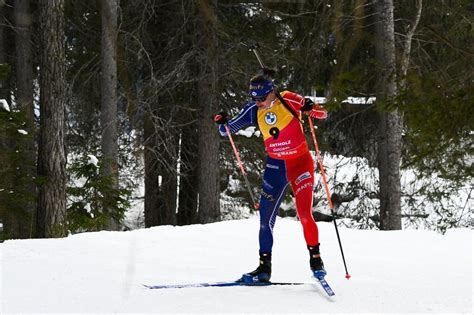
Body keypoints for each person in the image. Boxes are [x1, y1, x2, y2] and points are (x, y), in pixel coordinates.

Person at [214, 73, 328, 283]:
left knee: (304, 214)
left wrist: (310, 107)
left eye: (262, 98)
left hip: (300, 164)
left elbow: (322, 114)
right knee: (265, 221)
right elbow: (227, 131)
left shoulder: (287, 99)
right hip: (275, 167)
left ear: (272, 92)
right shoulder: (253, 110)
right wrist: (222, 122)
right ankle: (264, 268)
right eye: (254, 98)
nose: (259, 103)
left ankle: (316, 261)